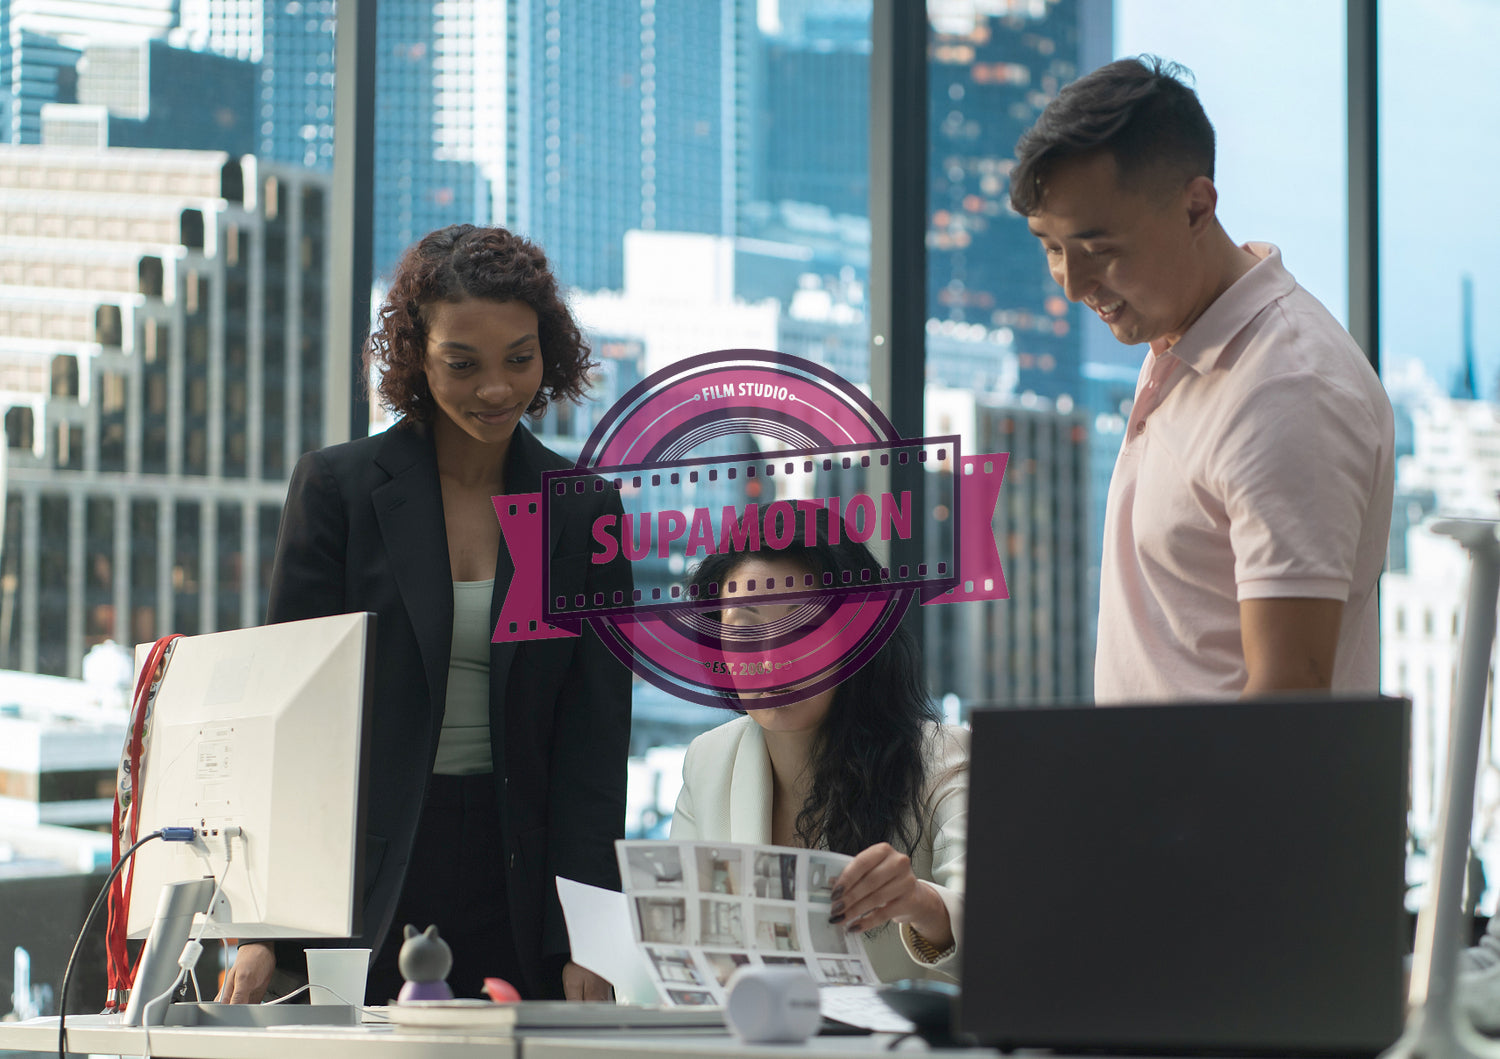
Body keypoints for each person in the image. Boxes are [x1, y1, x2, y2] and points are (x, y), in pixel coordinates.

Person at [217, 224, 631, 1004]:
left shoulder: (577, 511)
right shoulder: (339, 492)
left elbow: (593, 747)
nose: (498, 388)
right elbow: (287, 723)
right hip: (363, 872)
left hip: (522, 875)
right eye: (462, 363)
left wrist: (589, 935)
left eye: (519, 357)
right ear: (416, 356)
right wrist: (263, 923)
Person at [1011, 56, 1394, 702]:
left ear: (1196, 207)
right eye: (1051, 248)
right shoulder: (1180, 336)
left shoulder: (1287, 389)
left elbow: (1287, 707)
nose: (1073, 286)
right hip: (1151, 799)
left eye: (1098, 250)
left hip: (1227, 805)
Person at [669, 512, 967, 983]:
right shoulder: (709, 761)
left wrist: (919, 902)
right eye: (744, 627)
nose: (770, 658)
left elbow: (1001, 928)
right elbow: (681, 941)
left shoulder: (943, 758)